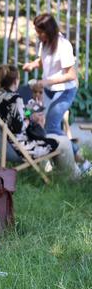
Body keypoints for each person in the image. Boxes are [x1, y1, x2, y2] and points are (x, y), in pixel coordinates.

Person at [23, 13, 91, 172]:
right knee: (47, 127)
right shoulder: (45, 43)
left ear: (49, 30)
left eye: (40, 32)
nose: (38, 35)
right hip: (49, 91)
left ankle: (77, 165)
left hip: (65, 91)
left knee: (52, 126)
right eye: (37, 31)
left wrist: (45, 81)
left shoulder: (63, 45)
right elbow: (43, 61)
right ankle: (76, 160)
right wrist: (33, 65)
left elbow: (71, 75)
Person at [0, 65, 82, 177]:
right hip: (22, 147)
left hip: (8, 145)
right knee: (64, 142)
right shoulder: (15, 98)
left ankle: (60, 173)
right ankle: (73, 177)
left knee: (56, 138)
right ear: (15, 81)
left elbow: (16, 116)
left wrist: (29, 114)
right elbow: (19, 127)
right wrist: (30, 120)